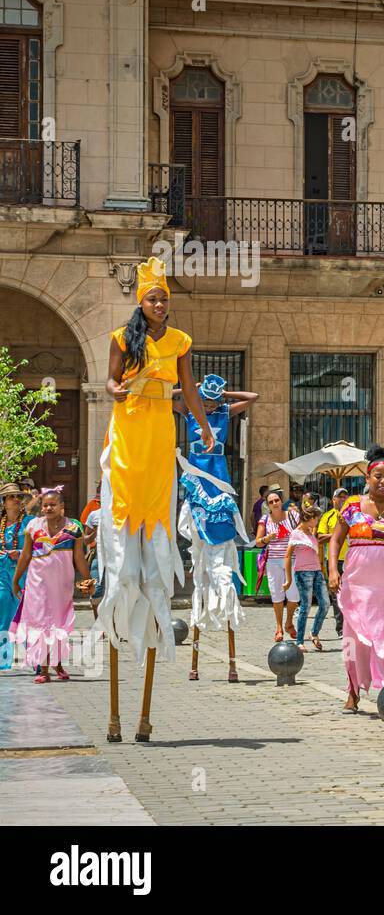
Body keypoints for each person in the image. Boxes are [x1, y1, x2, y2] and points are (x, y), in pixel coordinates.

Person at [95, 256, 214, 743]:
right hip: (128, 432)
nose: (160, 304)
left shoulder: (182, 342)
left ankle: (142, 714)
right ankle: (117, 716)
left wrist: (204, 430)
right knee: (125, 531)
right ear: (140, 302)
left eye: (165, 297)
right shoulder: (123, 339)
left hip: (161, 433)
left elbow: (187, 389)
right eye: (153, 297)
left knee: (155, 530)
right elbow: (108, 382)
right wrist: (117, 390)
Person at [174, 374, 257, 681]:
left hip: (218, 475)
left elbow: (254, 397)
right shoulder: (189, 411)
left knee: (222, 538)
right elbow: (172, 393)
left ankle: (232, 662)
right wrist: (193, 390)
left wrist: (224, 394)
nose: (208, 406)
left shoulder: (224, 412)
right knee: (201, 565)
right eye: (205, 401)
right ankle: (195, 662)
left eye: (212, 401)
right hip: (197, 473)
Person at [328, 445, 384, 711]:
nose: (383, 481)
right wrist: (333, 570)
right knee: (353, 639)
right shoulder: (352, 505)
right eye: (378, 476)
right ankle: (353, 689)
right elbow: (335, 539)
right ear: (367, 478)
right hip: (357, 585)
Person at [10, 487, 92, 681]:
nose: (48, 508)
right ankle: (44, 670)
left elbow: (79, 557)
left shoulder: (74, 528)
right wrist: (16, 579)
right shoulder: (33, 527)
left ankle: (58, 664)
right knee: (41, 624)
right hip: (38, 584)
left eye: (53, 505)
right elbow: (27, 555)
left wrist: (88, 579)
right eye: (45, 505)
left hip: (62, 585)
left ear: (61, 506)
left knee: (59, 624)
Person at [255, 488, 300, 642]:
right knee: (277, 595)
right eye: (271, 502)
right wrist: (267, 538)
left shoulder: (293, 516)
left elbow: (304, 530)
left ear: (281, 501)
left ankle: (289, 622)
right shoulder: (265, 520)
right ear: (267, 505)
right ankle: (279, 627)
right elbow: (258, 542)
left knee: (294, 595)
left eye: (277, 500)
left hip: (292, 559)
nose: (274, 503)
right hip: (273, 561)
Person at [286, 496, 328, 652]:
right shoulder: (296, 534)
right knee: (306, 606)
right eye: (316, 519)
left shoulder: (311, 532)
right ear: (310, 519)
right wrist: (288, 579)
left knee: (325, 604)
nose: (317, 522)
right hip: (303, 573)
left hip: (317, 571)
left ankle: (314, 632)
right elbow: (287, 555)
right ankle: (299, 640)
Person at [0, 482, 35, 670]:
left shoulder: (31, 522)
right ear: (4, 502)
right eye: (12, 497)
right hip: (3, 576)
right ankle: (3, 662)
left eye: (18, 497)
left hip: (25, 576)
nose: (16, 500)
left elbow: (42, 547)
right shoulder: (0, 524)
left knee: (27, 619)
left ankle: (37, 662)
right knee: (4, 618)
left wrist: (21, 552)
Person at [316, 487, 350, 636]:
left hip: (352, 559)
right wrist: (338, 534)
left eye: (345, 497)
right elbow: (320, 538)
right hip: (335, 560)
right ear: (333, 500)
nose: (342, 500)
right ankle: (341, 627)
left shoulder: (354, 515)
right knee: (337, 596)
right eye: (339, 497)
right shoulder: (328, 516)